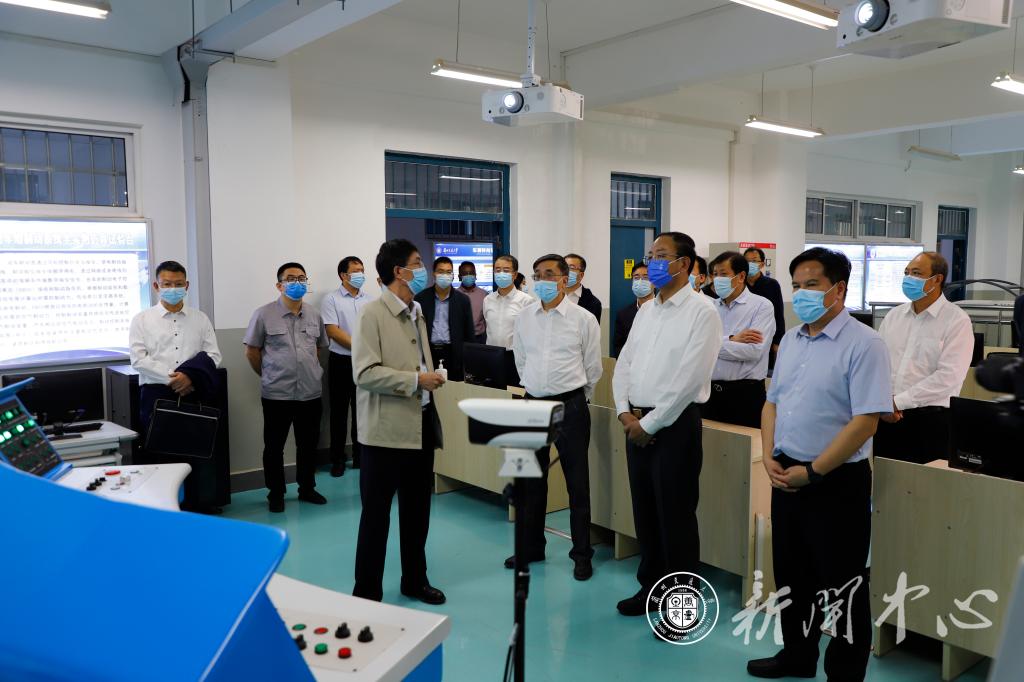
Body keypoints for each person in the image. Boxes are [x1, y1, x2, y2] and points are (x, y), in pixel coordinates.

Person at [746, 247, 892, 682]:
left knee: (843, 583)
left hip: (836, 480)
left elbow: (865, 421)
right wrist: (769, 455)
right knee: (793, 575)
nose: (802, 294)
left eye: (812, 284)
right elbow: (772, 403)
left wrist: (814, 472)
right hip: (786, 473)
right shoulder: (792, 340)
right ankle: (798, 656)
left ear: (838, 289)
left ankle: (844, 672)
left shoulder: (865, 344)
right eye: (796, 286)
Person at [612, 233, 722, 618]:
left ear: (685, 264)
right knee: (645, 512)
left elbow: (690, 379)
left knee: (675, 517)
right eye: (651, 255)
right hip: (636, 422)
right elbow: (624, 364)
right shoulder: (647, 311)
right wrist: (623, 411)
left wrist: (651, 424)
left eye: (662, 256)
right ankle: (651, 588)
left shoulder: (703, 312)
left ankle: (680, 605)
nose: (653, 263)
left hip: (675, 425)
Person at [352, 239, 447, 605]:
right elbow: (365, 373)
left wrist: (429, 378)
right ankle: (366, 593)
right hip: (384, 434)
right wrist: (415, 381)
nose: (423, 269)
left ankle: (415, 580)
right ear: (399, 271)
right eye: (417, 262)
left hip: (420, 426)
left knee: (417, 513)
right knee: (376, 518)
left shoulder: (417, 310)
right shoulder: (371, 314)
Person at [511, 254, 602, 581]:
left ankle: (581, 554)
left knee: (577, 484)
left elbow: (593, 368)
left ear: (565, 279)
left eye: (549, 274)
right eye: (537, 275)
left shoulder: (583, 319)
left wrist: (576, 397)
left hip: (571, 406)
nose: (542, 281)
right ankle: (532, 547)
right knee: (530, 482)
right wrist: (535, 387)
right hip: (533, 403)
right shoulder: (524, 317)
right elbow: (521, 359)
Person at [129, 260, 222, 513]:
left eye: (178, 284)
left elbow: (213, 355)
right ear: (156, 286)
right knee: (161, 456)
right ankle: (166, 512)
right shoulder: (142, 320)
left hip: (194, 392)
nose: (173, 289)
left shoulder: (200, 318)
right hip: (157, 395)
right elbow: (138, 359)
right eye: (167, 284)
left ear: (187, 285)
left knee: (196, 454)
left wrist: (189, 378)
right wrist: (175, 379)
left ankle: (196, 508)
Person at [243, 262, 329, 513]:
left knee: (308, 445)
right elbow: (252, 351)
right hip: (277, 394)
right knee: (274, 447)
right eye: (291, 278)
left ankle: (307, 488)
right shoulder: (263, 314)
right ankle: (276, 493)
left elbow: (319, 348)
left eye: (302, 278)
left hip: (310, 392)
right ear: (279, 285)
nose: (297, 283)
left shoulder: (314, 315)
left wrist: (309, 370)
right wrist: (269, 374)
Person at [875, 252, 973, 464]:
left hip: (931, 421)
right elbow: (877, 363)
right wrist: (882, 401)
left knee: (926, 483)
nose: (909, 278)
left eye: (917, 273)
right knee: (886, 480)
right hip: (887, 417)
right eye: (906, 272)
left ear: (937, 279)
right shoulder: (894, 316)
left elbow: (949, 377)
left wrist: (897, 402)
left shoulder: (957, 320)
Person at [703, 252, 775, 429]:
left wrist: (713, 344)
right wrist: (732, 339)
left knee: (747, 444)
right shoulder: (710, 307)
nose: (717, 279)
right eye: (715, 274)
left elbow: (753, 352)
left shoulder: (761, 306)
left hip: (745, 394)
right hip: (709, 393)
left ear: (741, 276)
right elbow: (697, 346)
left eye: (723, 274)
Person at [322, 256, 371, 477]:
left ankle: (361, 457)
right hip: (341, 361)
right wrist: (361, 347)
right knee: (339, 414)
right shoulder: (331, 299)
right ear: (343, 275)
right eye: (356, 271)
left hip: (365, 363)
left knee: (362, 412)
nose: (361, 274)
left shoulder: (369, 300)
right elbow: (333, 331)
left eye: (362, 270)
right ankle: (338, 460)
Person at [415, 256, 474, 382]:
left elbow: (469, 334)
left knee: (453, 390)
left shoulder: (463, 300)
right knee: (430, 388)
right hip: (428, 352)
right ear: (434, 274)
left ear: (453, 275)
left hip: (453, 353)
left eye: (448, 272)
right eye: (441, 271)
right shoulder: (421, 298)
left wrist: (469, 360)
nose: (445, 275)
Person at [744, 248, 786, 369]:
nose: (750, 264)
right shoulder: (740, 285)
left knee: (766, 370)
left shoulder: (772, 284)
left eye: (754, 261)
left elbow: (778, 314)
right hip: (744, 336)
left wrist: (778, 341)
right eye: (747, 261)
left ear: (762, 264)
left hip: (767, 337)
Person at [482, 255, 534, 349]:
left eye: (506, 270)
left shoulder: (526, 301)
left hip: (514, 354)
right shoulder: (488, 300)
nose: (501, 274)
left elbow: (531, 332)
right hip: (491, 353)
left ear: (515, 275)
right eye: (498, 270)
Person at [613, 262, 654, 357]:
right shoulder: (623, 315)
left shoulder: (663, 310)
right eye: (636, 277)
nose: (640, 281)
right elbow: (618, 346)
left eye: (646, 277)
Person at [564, 253, 603, 322]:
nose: (566, 271)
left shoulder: (593, 303)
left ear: (581, 275)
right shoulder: (552, 295)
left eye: (571, 268)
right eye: (563, 267)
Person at [457, 261, 488, 343]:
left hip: (480, 339)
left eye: (471, 273)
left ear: (475, 275)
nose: (468, 276)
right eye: (465, 274)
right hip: (460, 339)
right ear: (459, 276)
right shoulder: (454, 295)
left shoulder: (484, 295)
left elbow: (487, 319)